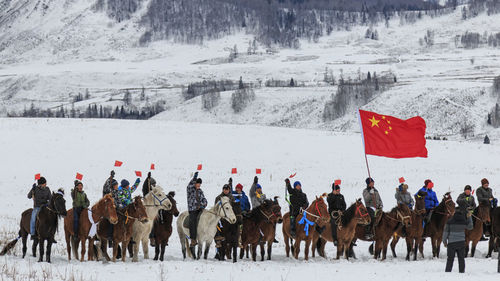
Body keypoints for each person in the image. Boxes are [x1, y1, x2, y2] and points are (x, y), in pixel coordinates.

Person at [442, 204, 473, 273]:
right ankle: (461, 272)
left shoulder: (449, 221)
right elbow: (470, 227)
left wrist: (444, 241)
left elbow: (445, 232)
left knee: (450, 259)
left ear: (455, 212)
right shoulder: (464, 221)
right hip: (461, 242)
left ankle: (448, 272)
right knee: (461, 259)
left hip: (451, 243)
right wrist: (469, 217)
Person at [187, 172, 207, 247]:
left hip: (200, 209)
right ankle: (193, 239)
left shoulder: (200, 191)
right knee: (193, 221)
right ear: (194, 184)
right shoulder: (190, 190)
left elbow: (204, 199)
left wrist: (203, 205)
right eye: (197, 183)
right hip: (193, 209)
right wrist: (194, 178)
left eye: (199, 184)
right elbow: (189, 185)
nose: (199, 185)